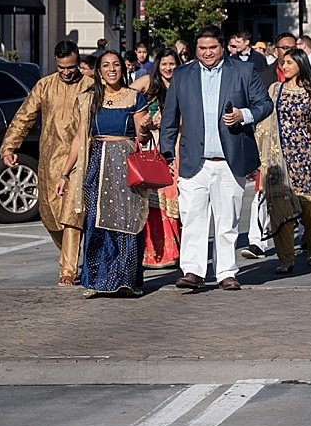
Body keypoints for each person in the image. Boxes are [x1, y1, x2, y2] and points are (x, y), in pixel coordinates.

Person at [160, 27, 273, 292]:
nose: (207, 53)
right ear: (195, 49)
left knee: (227, 222)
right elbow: (169, 118)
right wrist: (167, 153)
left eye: (212, 48)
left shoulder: (242, 72)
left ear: (222, 47)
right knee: (192, 219)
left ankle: (226, 272)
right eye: (202, 48)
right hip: (193, 161)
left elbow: (264, 104)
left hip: (229, 160)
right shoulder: (182, 75)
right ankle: (193, 271)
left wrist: (243, 115)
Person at [0, 42, 94, 284]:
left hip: (80, 160)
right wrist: (9, 146)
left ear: (78, 62)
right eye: (62, 67)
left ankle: (68, 272)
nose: (66, 72)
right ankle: (68, 256)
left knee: (72, 216)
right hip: (49, 160)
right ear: (55, 63)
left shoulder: (90, 87)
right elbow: (24, 117)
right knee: (50, 217)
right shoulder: (45, 85)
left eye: (71, 67)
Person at [62, 51, 150, 297]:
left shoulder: (135, 97)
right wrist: (65, 173)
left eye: (116, 65)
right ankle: (96, 280)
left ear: (123, 68)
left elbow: (142, 137)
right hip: (97, 164)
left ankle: (127, 280)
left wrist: (144, 128)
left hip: (126, 162)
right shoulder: (89, 99)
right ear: (98, 71)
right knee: (96, 221)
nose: (112, 69)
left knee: (128, 221)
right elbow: (80, 138)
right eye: (106, 65)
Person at [256, 48, 311, 274]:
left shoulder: (310, 92)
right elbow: (263, 117)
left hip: (302, 155)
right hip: (278, 156)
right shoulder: (274, 90)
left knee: (306, 205)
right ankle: (286, 256)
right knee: (280, 205)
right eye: (283, 63)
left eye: (289, 63)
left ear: (300, 64)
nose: (284, 66)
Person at [131, 48, 182, 268]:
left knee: (175, 195)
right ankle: (153, 253)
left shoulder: (184, 84)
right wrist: (144, 119)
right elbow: (125, 97)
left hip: (178, 143)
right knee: (153, 198)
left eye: (172, 64)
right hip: (151, 145)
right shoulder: (146, 83)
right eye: (164, 64)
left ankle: (175, 250)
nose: (168, 68)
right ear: (157, 65)